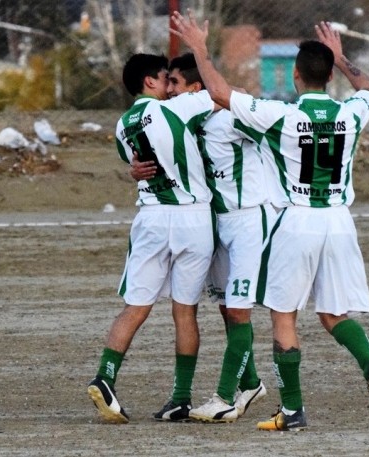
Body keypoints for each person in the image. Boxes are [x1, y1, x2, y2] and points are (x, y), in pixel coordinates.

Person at [170, 11, 369, 431]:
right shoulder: (350, 113)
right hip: (339, 222)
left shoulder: (283, 115)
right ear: (330, 76)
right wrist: (341, 55)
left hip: (297, 221)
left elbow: (219, 93)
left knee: (283, 318)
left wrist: (200, 49)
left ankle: (292, 409)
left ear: (295, 75)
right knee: (333, 315)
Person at [131, 53, 272, 423]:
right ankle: (252, 383)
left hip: (247, 224)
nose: (168, 89)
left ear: (196, 88)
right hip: (213, 225)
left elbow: (276, 135)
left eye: (174, 82)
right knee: (228, 309)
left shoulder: (231, 118)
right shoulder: (183, 125)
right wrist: (135, 168)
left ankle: (224, 397)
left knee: (239, 311)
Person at [87, 53, 216, 424]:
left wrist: (134, 172)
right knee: (184, 312)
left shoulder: (120, 125)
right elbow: (222, 93)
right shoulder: (179, 108)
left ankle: (106, 377)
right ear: (150, 82)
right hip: (193, 219)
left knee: (136, 307)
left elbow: (139, 163)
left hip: (152, 218)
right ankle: (180, 397)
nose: (170, 85)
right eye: (165, 78)